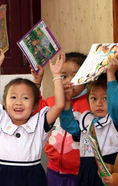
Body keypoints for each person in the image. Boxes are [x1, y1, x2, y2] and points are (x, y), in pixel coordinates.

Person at [0, 42, 65, 186]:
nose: (19, 102)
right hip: (1, 177)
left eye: (25, 98)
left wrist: (57, 75)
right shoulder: (0, 120)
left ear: (35, 105)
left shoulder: (40, 122)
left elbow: (59, 105)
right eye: (13, 97)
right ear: (4, 103)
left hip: (31, 177)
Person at [59, 59, 118, 186]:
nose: (99, 103)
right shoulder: (85, 119)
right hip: (86, 172)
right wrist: (66, 101)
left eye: (105, 98)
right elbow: (67, 124)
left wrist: (110, 75)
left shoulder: (115, 118)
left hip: (110, 170)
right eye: (93, 98)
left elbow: (115, 105)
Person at [31, 52, 90, 186]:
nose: (68, 81)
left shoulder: (91, 103)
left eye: (75, 76)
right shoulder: (53, 101)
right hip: (53, 169)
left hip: (80, 172)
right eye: (63, 76)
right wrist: (37, 82)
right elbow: (34, 108)